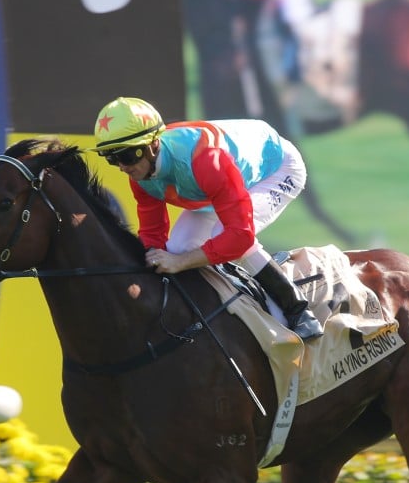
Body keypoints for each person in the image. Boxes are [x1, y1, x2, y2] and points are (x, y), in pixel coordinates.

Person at [93, 96, 324, 341]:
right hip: (219, 185)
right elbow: (153, 235)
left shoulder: (206, 161)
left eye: (127, 156)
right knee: (176, 248)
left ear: (152, 145)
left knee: (222, 238)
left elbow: (240, 237)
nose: (122, 167)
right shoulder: (140, 176)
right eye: (111, 158)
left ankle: (299, 311)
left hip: (276, 170)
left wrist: (182, 262)